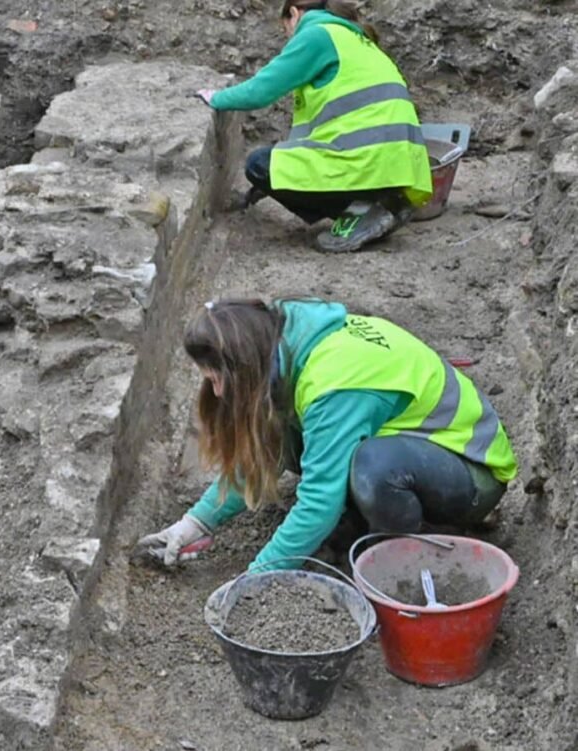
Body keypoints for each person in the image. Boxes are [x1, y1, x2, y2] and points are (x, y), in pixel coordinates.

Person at [135, 299, 517, 569]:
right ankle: (361, 519)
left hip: (470, 472)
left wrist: (259, 575)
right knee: (288, 430)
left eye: (217, 379)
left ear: (245, 363)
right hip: (419, 452)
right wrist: (193, 524)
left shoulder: (333, 385)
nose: (217, 393)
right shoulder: (288, 342)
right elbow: (263, 450)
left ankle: (394, 561)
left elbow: (319, 501)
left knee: (374, 467)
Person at [195, 0, 433, 253]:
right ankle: (387, 203)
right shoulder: (357, 39)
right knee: (278, 162)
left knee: (259, 165)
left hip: (366, 162)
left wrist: (215, 97)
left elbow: (259, 91)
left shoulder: (316, 35)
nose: (288, 38)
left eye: (286, 29)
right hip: (398, 168)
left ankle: (363, 213)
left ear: (295, 14)